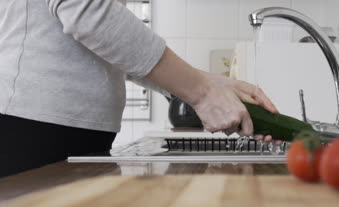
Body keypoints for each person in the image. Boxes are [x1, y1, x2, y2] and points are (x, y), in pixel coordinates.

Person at [0, 0, 278, 177]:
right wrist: (202, 92)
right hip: (33, 131)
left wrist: (211, 83)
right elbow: (84, 8)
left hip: (69, 133)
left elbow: (110, 44)